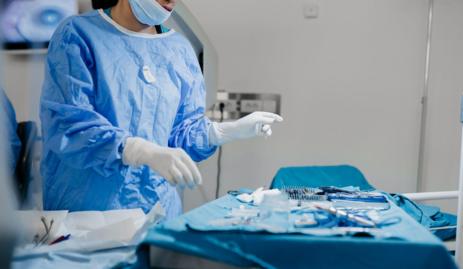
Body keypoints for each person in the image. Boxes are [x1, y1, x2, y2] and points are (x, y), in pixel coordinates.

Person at [40, 0, 283, 218]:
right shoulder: (78, 35)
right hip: (89, 212)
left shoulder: (179, 48)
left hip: (158, 210)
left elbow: (181, 134)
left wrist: (220, 132)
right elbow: (68, 124)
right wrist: (136, 149)